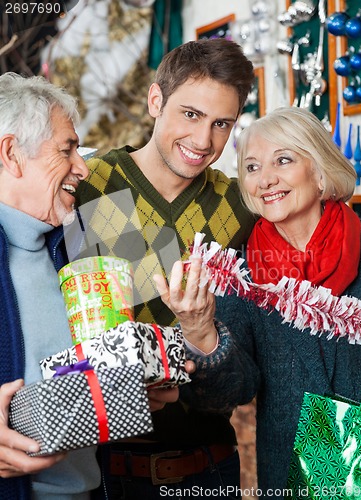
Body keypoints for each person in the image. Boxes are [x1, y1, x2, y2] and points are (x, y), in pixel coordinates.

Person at [155, 107, 361, 499]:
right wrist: (201, 331)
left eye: (283, 160)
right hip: (293, 478)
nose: (265, 179)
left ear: (320, 172)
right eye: (251, 167)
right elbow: (227, 393)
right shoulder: (242, 272)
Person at [75, 39, 256, 499]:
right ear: (156, 100)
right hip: (97, 471)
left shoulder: (240, 207)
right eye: (190, 114)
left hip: (208, 467)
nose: (203, 141)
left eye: (222, 124)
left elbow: (241, 376)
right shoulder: (87, 184)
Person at [0, 72, 179, 500]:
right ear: (11, 153)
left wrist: (132, 389)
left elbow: (83, 379)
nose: (82, 166)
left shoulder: (76, 243)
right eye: (68, 149)